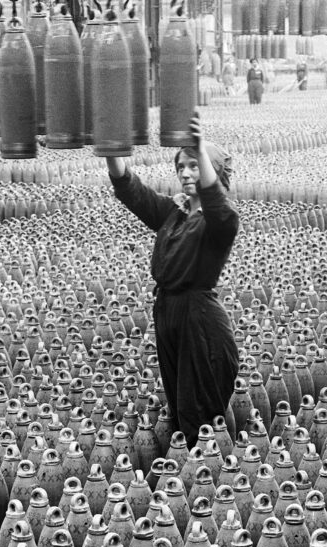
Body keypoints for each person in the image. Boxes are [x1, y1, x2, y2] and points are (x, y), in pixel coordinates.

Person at [105, 113, 240, 449]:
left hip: (200, 321)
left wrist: (199, 148)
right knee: (180, 409)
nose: (185, 173)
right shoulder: (173, 214)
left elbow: (218, 205)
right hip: (168, 314)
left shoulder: (220, 221)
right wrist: (109, 145)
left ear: (213, 170)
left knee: (199, 415)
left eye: (194, 165)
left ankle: (207, 481)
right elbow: (131, 189)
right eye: (181, 167)